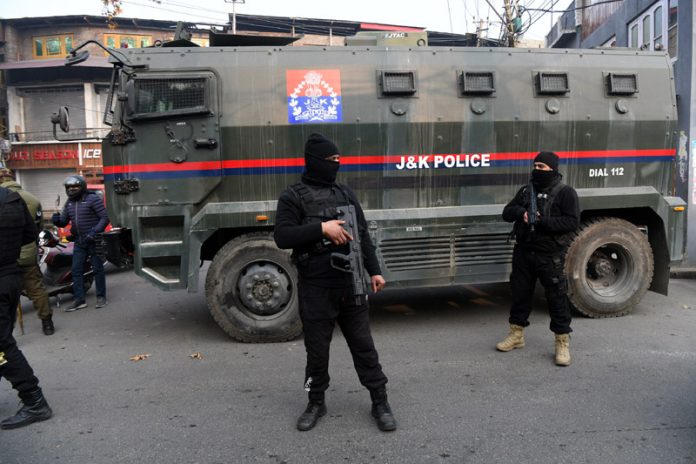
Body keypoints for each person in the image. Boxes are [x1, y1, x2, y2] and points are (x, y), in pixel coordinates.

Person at [274, 133, 396, 432]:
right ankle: (315, 401)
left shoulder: (345, 194)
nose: (337, 165)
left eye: (338, 160)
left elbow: (363, 233)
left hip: (350, 283)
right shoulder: (293, 196)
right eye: (331, 161)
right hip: (316, 286)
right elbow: (283, 236)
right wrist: (322, 228)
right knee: (317, 351)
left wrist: (375, 270)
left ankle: (379, 400)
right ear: (315, 162)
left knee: (364, 347)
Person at [497, 151, 580, 366]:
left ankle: (562, 342)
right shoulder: (526, 191)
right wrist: (522, 213)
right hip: (524, 252)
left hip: (549, 256)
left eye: (542, 167)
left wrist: (544, 222)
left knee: (556, 299)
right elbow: (506, 212)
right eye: (535, 166)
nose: (537, 170)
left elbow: (572, 222)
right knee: (520, 295)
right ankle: (516, 335)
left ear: (553, 169)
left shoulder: (566, 193)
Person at [0, 185, 53, 429]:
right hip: (10, 276)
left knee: (2, 346)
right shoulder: (12, 198)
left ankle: (34, 402)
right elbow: (29, 235)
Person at [0, 169, 54, 335]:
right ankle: (47, 323)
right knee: (36, 288)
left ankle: (7, 331)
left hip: (5, 257)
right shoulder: (32, 198)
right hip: (28, 252)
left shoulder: (4, 199)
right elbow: (36, 228)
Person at [51, 175, 109, 311]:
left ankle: (101, 297)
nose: (72, 190)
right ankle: (79, 299)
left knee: (97, 269)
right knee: (76, 270)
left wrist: (93, 233)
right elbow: (64, 221)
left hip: (93, 240)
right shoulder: (69, 203)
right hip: (79, 241)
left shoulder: (93, 199)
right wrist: (56, 220)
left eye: (75, 187)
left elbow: (105, 218)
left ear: (82, 187)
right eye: (69, 187)